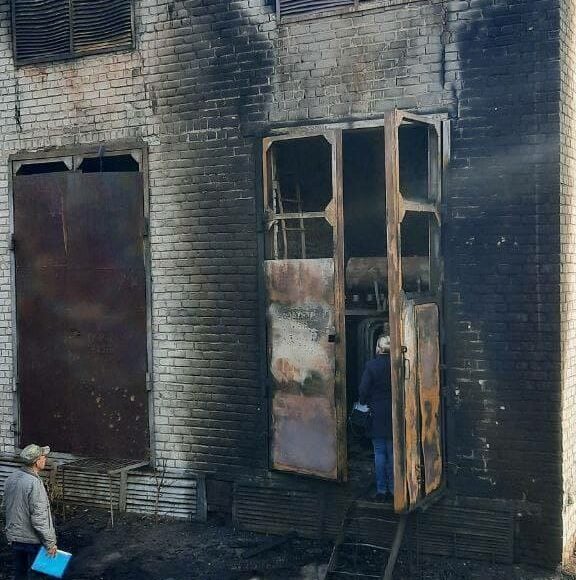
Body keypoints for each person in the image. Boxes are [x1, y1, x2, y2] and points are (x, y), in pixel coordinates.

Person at [4, 444, 57, 579]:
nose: (45, 459)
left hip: (15, 538)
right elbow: (39, 518)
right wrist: (50, 543)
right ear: (36, 461)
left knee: (20, 574)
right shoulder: (34, 483)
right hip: (32, 540)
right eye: (43, 457)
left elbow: (7, 507)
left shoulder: (12, 477)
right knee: (38, 574)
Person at [359, 335, 394, 501]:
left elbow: (363, 389)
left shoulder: (371, 366)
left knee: (379, 453)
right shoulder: (399, 364)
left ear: (378, 349)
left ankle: (382, 490)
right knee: (394, 453)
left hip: (377, 412)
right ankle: (395, 489)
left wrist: (363, 402)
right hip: (395, 411)